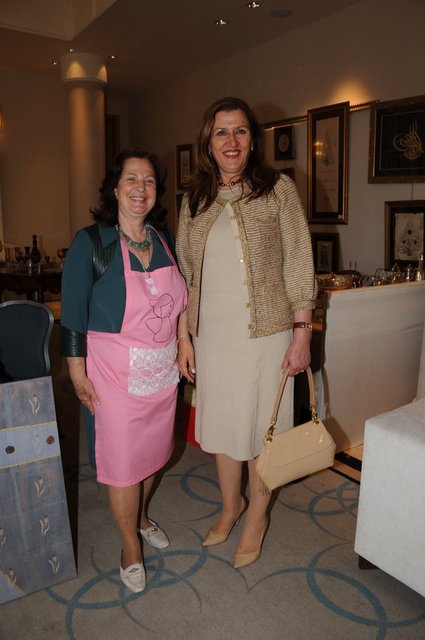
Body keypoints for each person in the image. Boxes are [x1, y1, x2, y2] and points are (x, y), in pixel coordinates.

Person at [176, 97, 316, 569]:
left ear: (253, 140)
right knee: (222, 425)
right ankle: (230, 504)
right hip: (212, 338)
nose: (231, 141)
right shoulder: (194, 199)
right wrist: (184, 337)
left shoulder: (278, 190)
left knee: (260, 429)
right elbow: (185, 276)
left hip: (267, 335)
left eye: (240, 131)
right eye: (221, 132)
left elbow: (299, 260)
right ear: (208, 143)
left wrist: (302, 333)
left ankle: (257, 513)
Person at [61, 148, 188, 593]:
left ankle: (142, 516)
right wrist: (76, 372)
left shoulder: (164, 239)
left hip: (161, 371)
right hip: (112, 373)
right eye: (131, 179)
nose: (140, 188)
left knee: (154, 453)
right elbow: (73, 314)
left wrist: (184, 342)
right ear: (114, 189)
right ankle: (130, 545)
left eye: (149, 180)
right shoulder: (91, 243)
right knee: (123, 463)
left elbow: (181, 302)